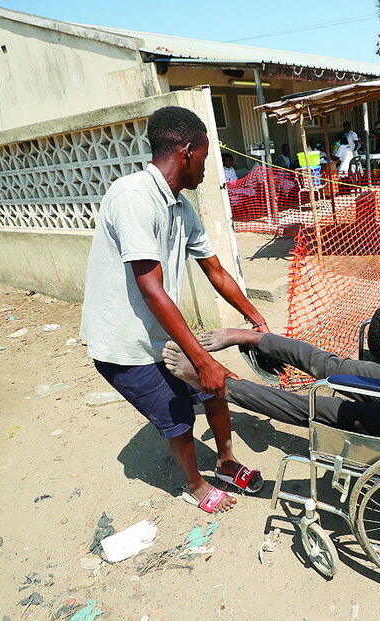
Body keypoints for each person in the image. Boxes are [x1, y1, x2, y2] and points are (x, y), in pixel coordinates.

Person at [80, 106, 269, 515]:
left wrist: (257, 321)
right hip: (124, 343)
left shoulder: (181, 209)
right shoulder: (133, 196)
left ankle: (225, 461)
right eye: (205, 156)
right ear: (186, 152)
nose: (207, 167)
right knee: (179, 414)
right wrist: (201, 358)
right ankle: (195, 484)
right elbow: (151, 288)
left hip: (161, 333)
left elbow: (216, 271)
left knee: (216, 388)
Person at [160, 289, 380, 446]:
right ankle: (252, 338)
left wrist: (376, 399)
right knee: (336, 366)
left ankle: (222, 386)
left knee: (312, 405)